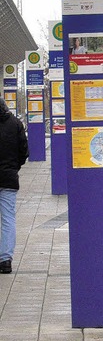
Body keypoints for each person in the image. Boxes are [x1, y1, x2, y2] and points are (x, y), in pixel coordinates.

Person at [0, 98, 29, 274]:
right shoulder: (15, 123)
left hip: (9, 175)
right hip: (9, 179)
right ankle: (5, 260)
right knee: (8, 219)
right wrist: (13, 168)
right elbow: (24, 151)